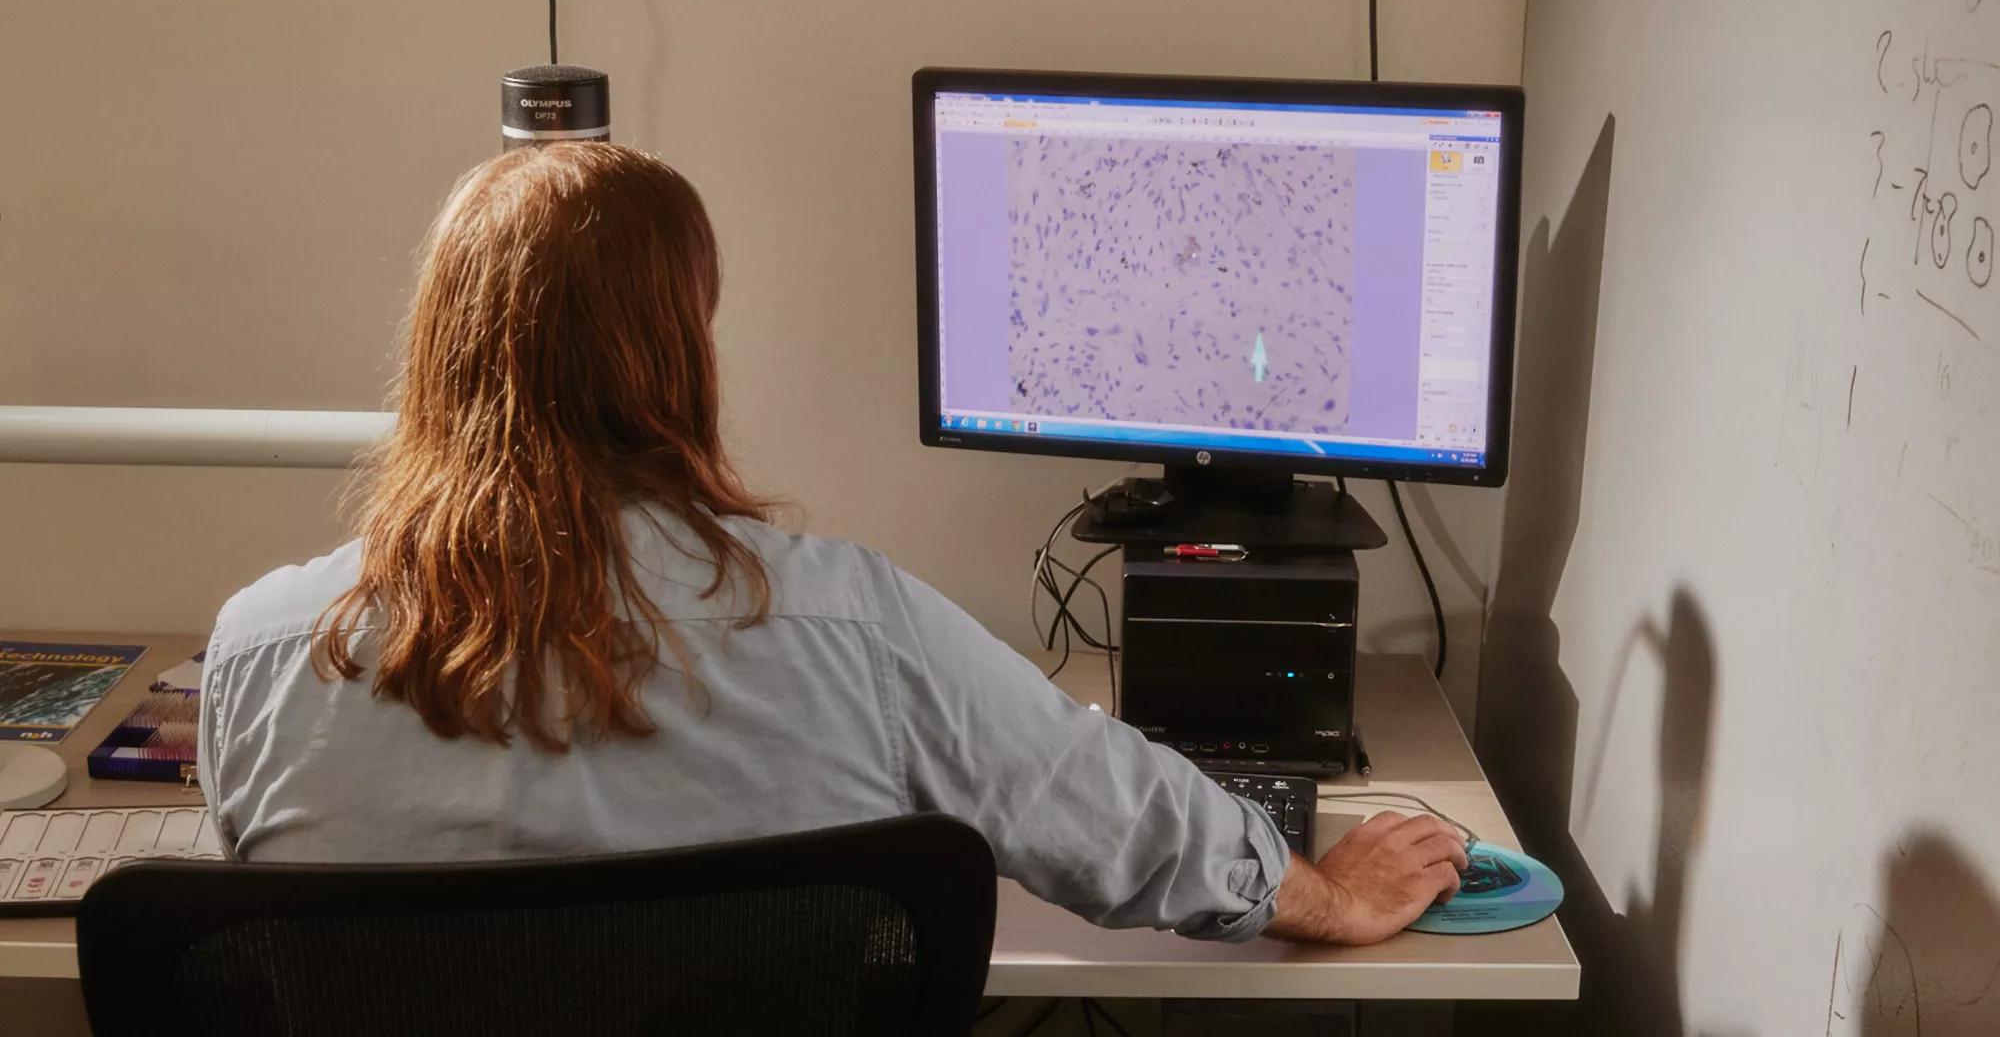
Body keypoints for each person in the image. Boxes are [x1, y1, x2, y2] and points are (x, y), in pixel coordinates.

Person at [197, 143, 1467, 946]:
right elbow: (1126, 823)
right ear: (681, 354)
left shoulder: (260, 653)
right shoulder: (850, 629)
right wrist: (1324, 893)